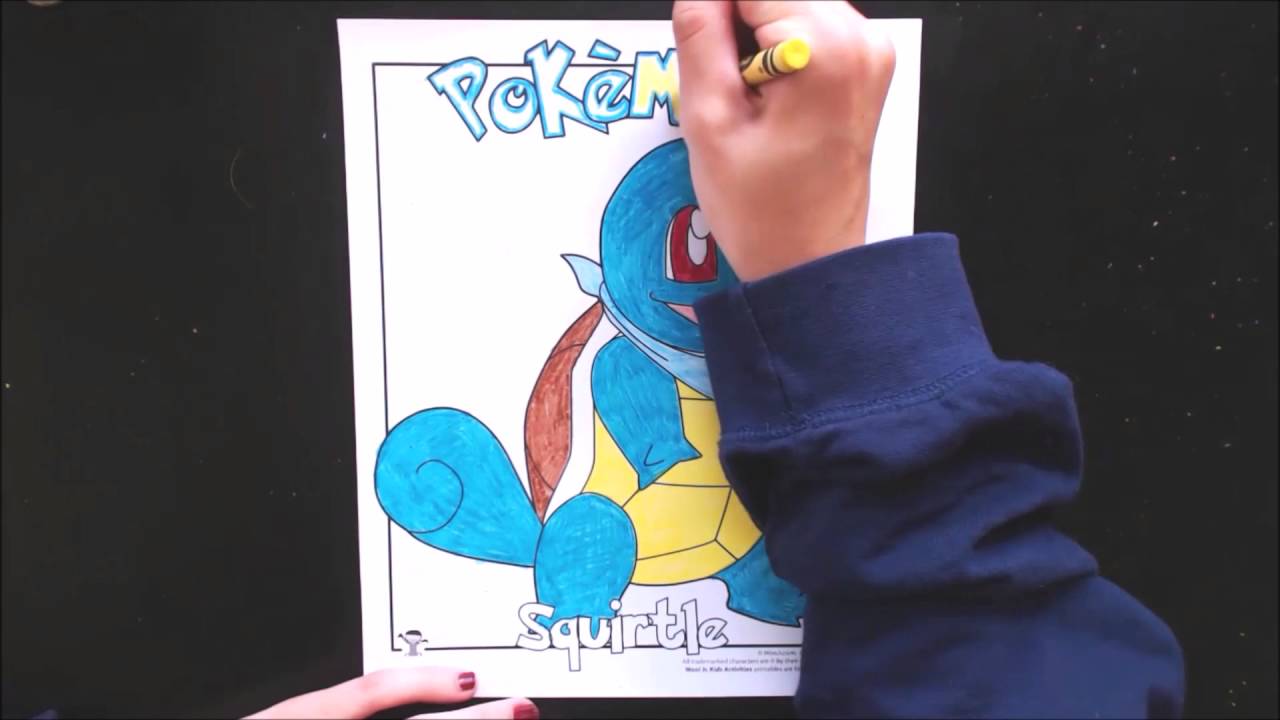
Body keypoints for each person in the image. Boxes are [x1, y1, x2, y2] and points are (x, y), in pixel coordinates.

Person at [249, 1, 1185, 718]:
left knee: (764, 560)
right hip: (621, 526)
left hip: (745, 544)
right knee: (597, 529)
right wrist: (839, 307)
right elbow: (1031, 672)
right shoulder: (618, 364)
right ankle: (578, 589)